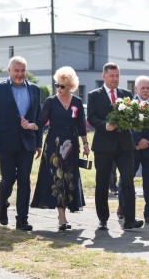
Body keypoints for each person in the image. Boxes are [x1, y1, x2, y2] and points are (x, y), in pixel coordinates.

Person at [22, 66, 89, 230]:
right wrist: (29, 125)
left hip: (71, 145)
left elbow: (81, 126)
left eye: (62, 86)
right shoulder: (51, 101)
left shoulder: (77, 102)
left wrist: (86, 144)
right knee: (56, 178)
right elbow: (40, 122)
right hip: (53, 144)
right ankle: (61, 217)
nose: (59, 89)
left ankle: (65, 214)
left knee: (69, 178)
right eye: (57, 85)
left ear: (71, 86)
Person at [87, 62, 144, 230]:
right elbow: (91, 117)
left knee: (128, 181)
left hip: (125, 145)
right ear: (103, 76)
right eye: (111, 75)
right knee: (102, 182)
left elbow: (132, 115)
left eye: (117, 75)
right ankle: (103, 218)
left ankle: (130, 220)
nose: (114, 79)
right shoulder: (94, 95)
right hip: (103, 146)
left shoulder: (126, 94)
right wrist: (105, 125)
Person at [0, 56, 42, 231]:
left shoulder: (35, 90)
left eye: (22, 71)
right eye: (16, 71)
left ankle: (22, 219)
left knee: (24, 181)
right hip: (6, 142)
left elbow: (38, 117)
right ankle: (2, 203)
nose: (20, 74)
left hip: (28, 142)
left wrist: (39, 142)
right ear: (9, 71)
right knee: (8, 179)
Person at [118, 76, 149, 225]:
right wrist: (137, 142)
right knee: (126, 180)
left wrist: (147, 142)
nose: (145, 90)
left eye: (148, 88)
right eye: (142, 88)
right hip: (132, 149)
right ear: (136, 89)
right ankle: (123, 207)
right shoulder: (128, 106)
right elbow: (127, 127)